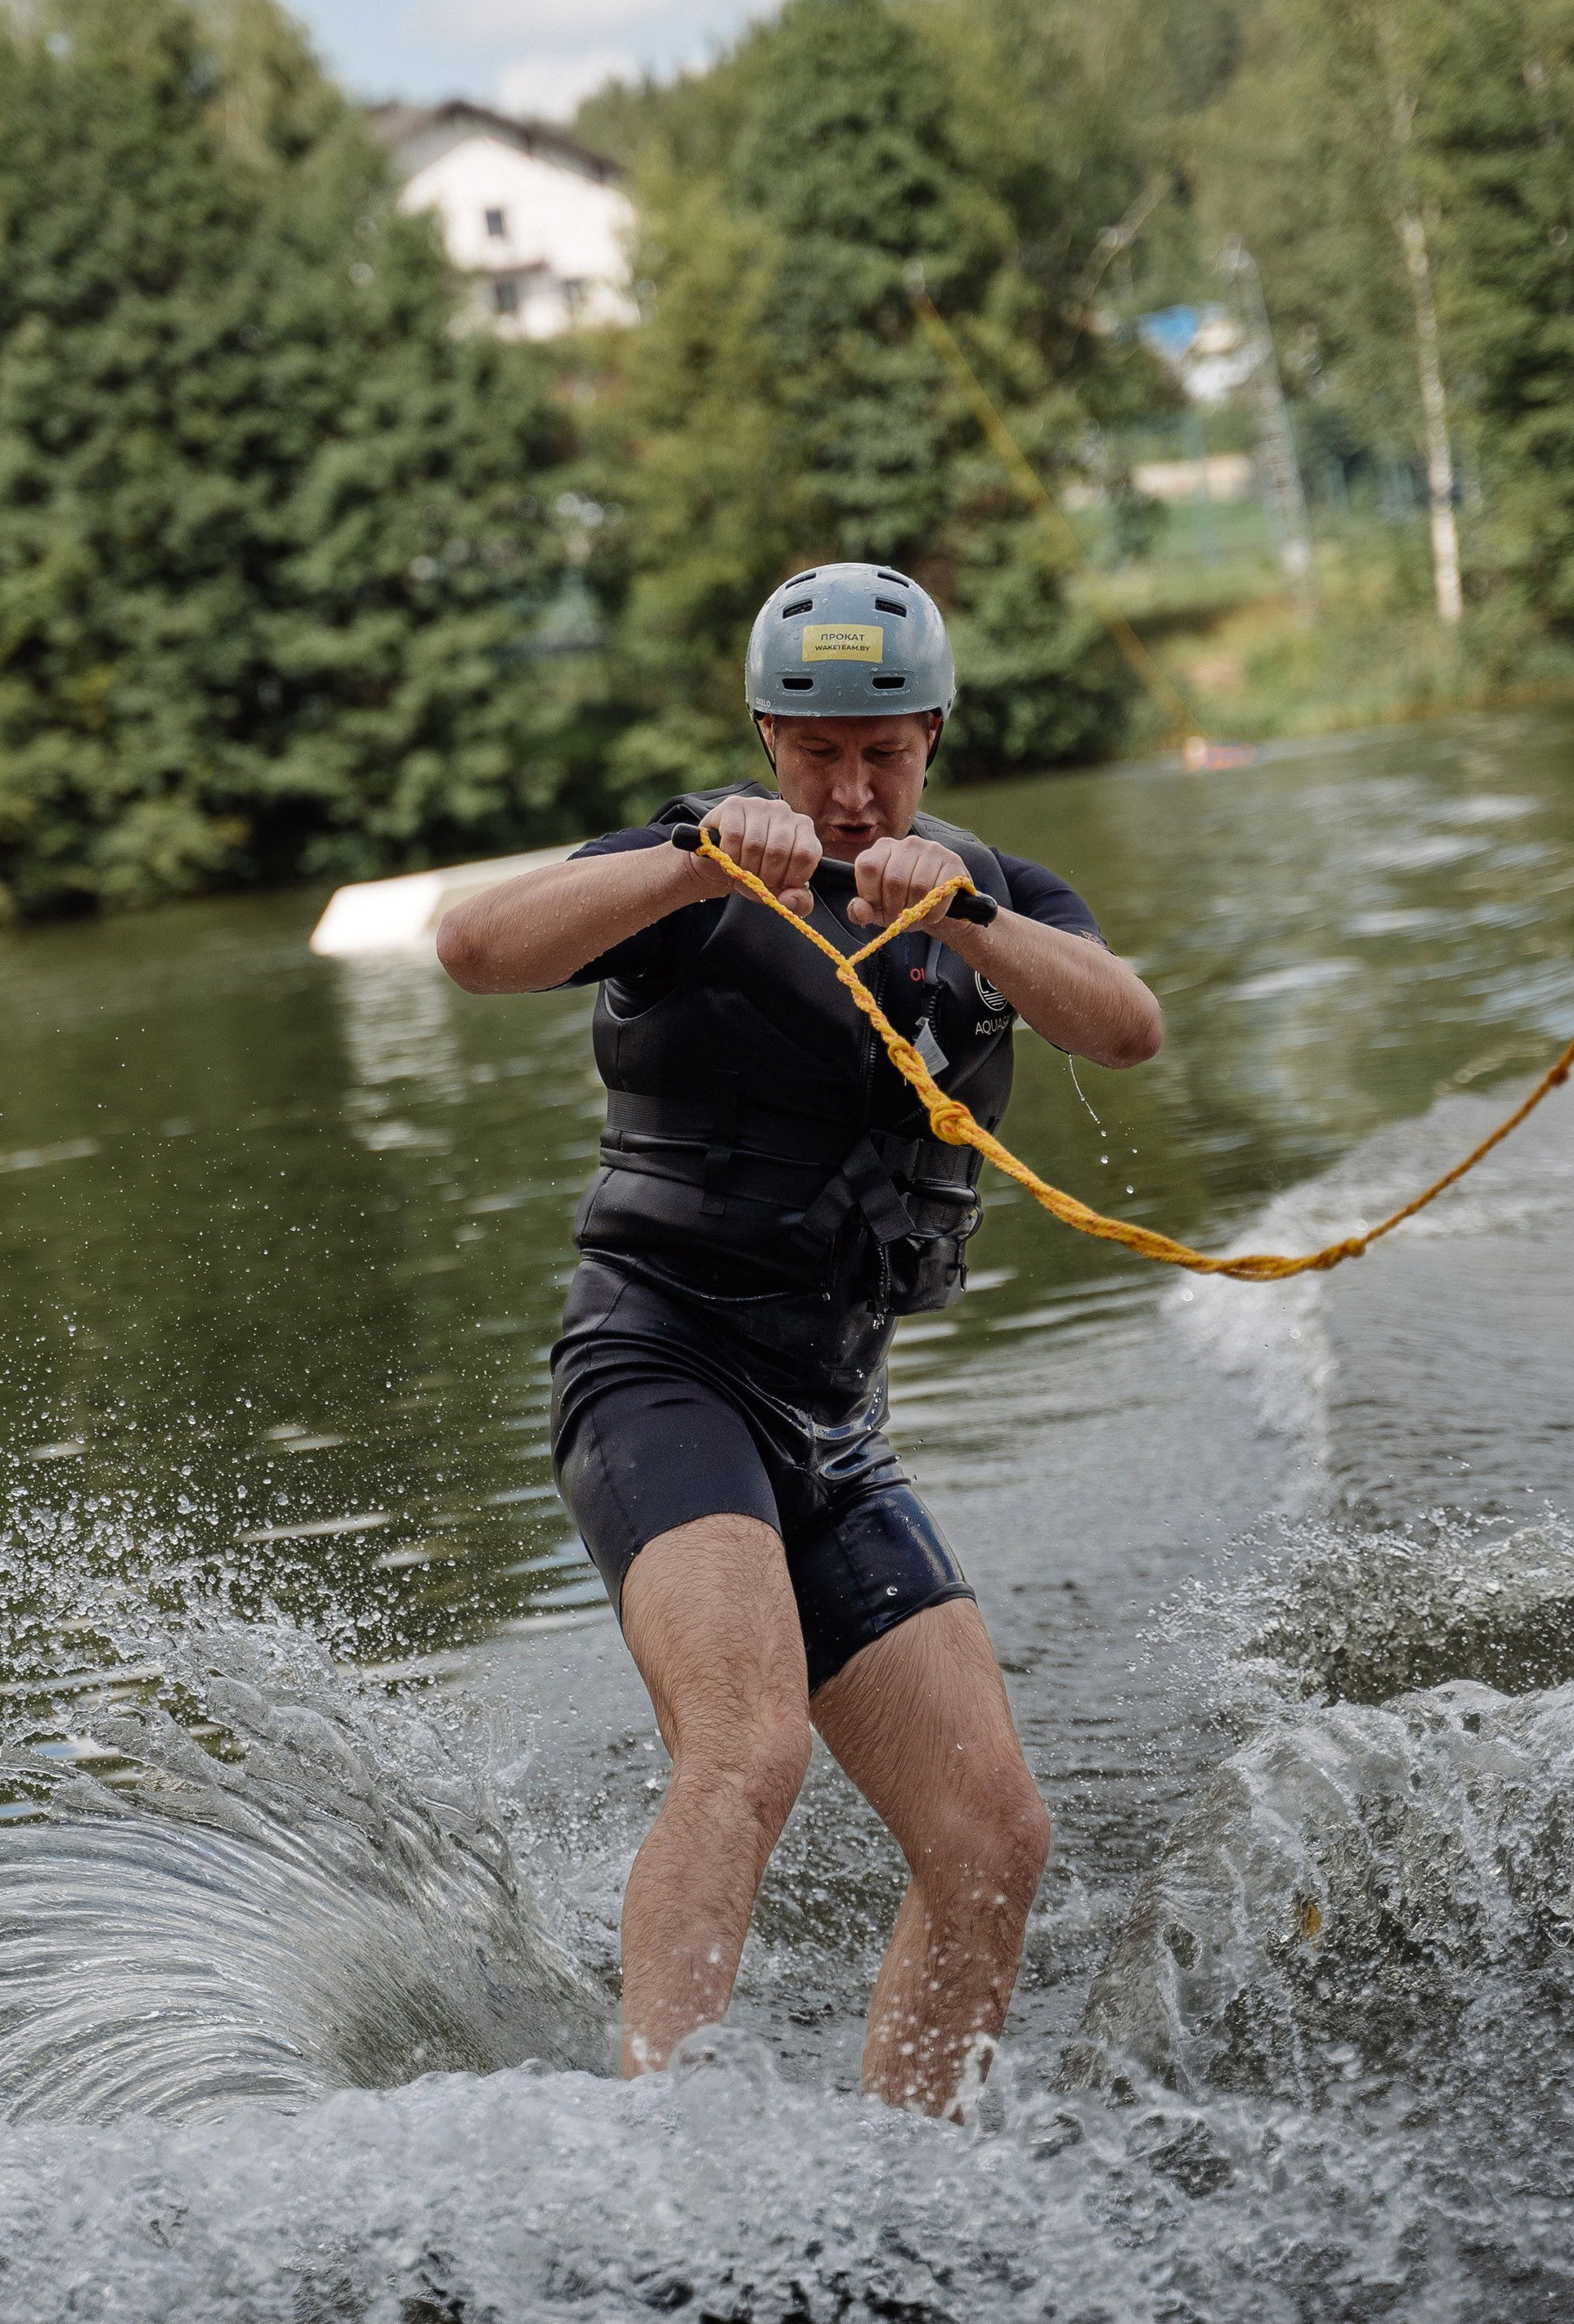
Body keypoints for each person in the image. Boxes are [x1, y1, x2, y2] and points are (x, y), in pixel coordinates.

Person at [436, 562, 1164, 2113]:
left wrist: (967, 922)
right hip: (660, 1372)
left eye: (884, 753)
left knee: (993, 1833)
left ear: (936, 735)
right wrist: (695, 870)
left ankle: (898, 2178)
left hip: (833, 1420)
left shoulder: (994, 894)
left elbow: (1125, 1023)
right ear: (767, 737)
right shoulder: (683, 874)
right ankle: (666, 2172)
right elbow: (472, 946)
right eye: (817, 754)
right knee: (748, 1744)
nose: (848, 792)